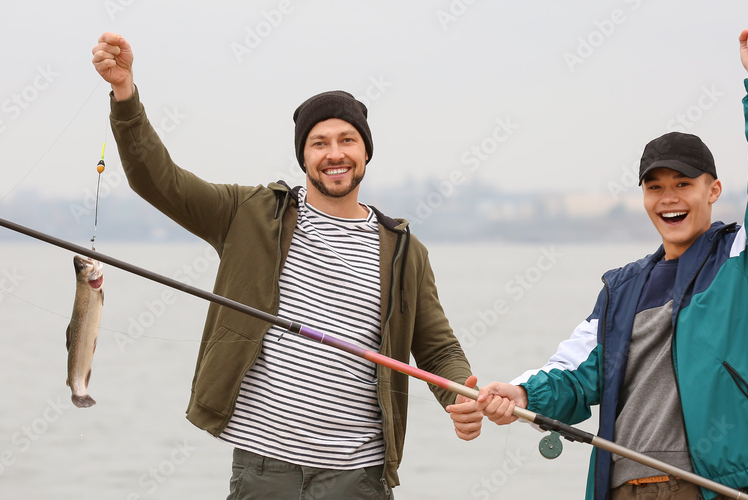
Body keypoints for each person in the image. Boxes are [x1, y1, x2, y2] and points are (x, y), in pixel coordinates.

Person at [91, 32, 482, 499]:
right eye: (319, 143)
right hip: (262, 470)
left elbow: (438, 351)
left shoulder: (403, 250)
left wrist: (461, 394)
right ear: (303, 155)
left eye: (347, 140)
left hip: (358, 476)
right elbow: (159, 180)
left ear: (364, 152)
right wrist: (124, 94)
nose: (334, 153)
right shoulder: (249, 213)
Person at [457, 29, 748, 500]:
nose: (669, 199)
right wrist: (519, 395)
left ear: (714, 190)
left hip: (704, 488)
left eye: (683, 183)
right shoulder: (622, 287)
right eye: (654, 187)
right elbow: (578, 374)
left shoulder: (744, 260)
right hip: (620, 488)